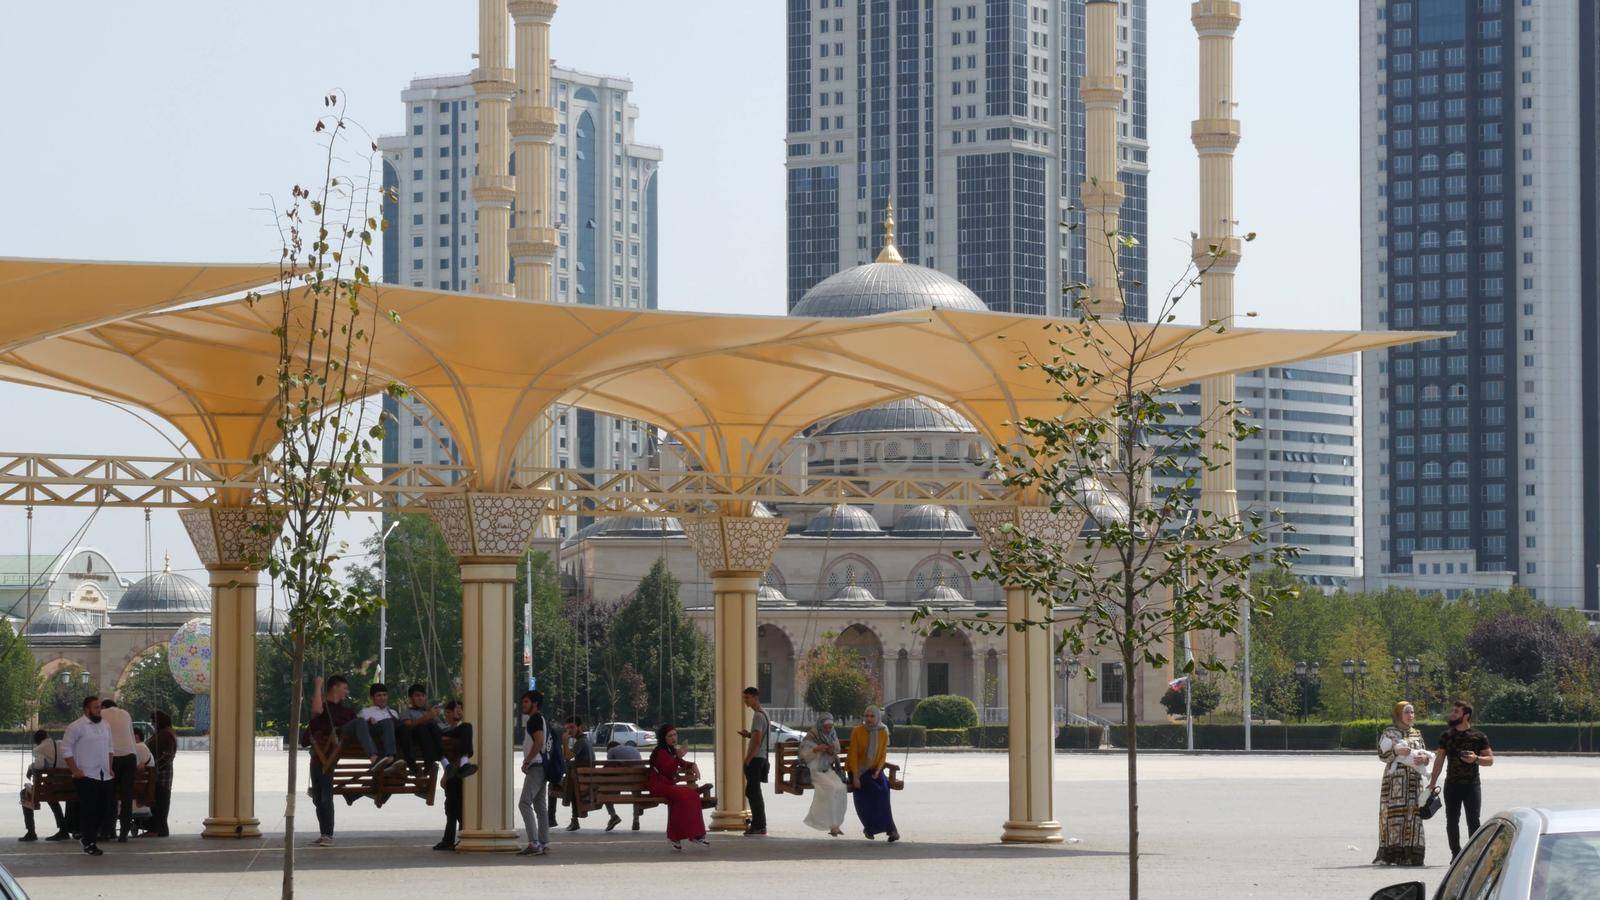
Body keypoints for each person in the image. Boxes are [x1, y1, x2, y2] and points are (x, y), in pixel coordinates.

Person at [1429, 700, 1495, 859]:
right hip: (1451, 785)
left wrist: (1476, 758)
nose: (1452, 714)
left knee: (1473, 821)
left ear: (1466, 716)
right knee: (1452, 821)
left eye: (1456, 712)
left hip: (1472, 785)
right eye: (1452, 711)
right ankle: (1456, 855)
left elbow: (1490, 760)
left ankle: (1474, 855)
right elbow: (1439, 760)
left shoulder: (1479, 736)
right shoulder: (1446, 736)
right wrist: (1432, 782)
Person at [1374, 700, 1429, 866]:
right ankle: (1392, 853)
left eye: (1412, 712)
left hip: (1414, 781)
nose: (1410, 716)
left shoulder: (1417, 733)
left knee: (1414, 816)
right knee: (1393, 815)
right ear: (1399, 714)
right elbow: (1381, 754)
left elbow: (1426, 753)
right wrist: (1395, 751)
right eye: (1407, 712)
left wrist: (1424, 759)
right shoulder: (1389, 733)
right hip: (1395, 782)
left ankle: (1412, 855)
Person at [306, 675, 357, 846]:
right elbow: (316, 711)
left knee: (325, 796)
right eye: (344, 688)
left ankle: (328, 834)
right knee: (319, 797)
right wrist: (318, 686)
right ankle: (324, 833)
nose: (346, 692)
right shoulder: (325, 710)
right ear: (335, 688)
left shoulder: (347, 712)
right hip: (319, 758)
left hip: (328, 757)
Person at [62, 695, 112, 856]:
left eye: (100, 707)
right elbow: (66, 749)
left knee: (107, 809)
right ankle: (89, 842)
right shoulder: (76, 727)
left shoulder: (105, 725)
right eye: (96, 707)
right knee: (89, 810)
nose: (99, 710)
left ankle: (88, 836)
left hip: (104, 774)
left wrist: (110, 766)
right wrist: (75, 770)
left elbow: (110, 747)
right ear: (87, 709)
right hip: (85, 775)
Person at [646, 724, 709, 851]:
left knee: (692, 795)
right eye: (670, 735)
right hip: (659, 785)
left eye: (675, 734)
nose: (673, 738)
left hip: (668, 785)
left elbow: (682, 764)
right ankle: (686, 835)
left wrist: (692, 765)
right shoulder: (661, 751)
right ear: (664, 738)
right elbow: (668, 770)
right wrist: (678, 757)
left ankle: (692, 834)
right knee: (687, 795)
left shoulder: (671, 751)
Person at [848, 705, 899, 842]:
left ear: (877, 717)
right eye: (866, 716)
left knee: (884, 790)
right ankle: (869, 828)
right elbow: (852, 754)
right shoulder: (857, 731)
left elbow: (882, 754)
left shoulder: (883, 732)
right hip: (857, 770)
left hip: (875, 770)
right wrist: (855, 776)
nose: (869, 719)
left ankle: (892, 830)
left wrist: (878, 771)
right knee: (871, 791)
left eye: (872, 716)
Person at [433, 699, 478, 851]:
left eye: (460, 709)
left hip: (456, 772)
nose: (459, 712)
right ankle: (452, 838)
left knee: (454, 807)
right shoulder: (444, 728)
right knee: (452, 806)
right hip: (453, 771)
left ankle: (455, 837)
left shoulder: (463, 729)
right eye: (456, 710)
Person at [800, 714, 847, 836]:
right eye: (826, 727)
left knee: (841, 787)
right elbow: (803, 755)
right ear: (821, 726)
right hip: (815, 769)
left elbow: (836, 750)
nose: (828, 729)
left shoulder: (832, 734)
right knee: (830, 788)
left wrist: (831, 750)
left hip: (827, 769)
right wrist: (816, 749)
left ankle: (835, 824)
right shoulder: (812, 735)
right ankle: (829, 824)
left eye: (830, 727)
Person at [20, 729, 69, 843]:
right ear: (47, 736)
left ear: (37, 741)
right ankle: (64, 830)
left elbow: (39, 766)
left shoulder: (39, 749)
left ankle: (31, 832)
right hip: (69, 786)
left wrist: (30, 768)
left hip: (54, 787)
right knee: (52, 798)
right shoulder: (62, 744)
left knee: (24, 793)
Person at [516, 690, 549, 857]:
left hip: (536, 766)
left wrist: (527, 761)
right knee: (540, 806)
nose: (523, 705)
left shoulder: (534, 720)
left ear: (535, 704)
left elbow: (539, 742)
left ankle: (534, 843)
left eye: (526, 702)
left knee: (524, 803)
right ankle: (543, 842)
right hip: (542, 766)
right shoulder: (541, 719)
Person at [99, 699, 137, 842]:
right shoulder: (126, 714)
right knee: (126, 797)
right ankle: (124, 833)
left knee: (110, 795)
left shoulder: (101, 714)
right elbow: (132, 736)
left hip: (112, 757)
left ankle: (108, 831)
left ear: (103, 707)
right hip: (130, 756)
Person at [351, 683, 404, 775]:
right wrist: (369, 722)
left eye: (384, 695)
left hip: (393, 742)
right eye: (378, 695)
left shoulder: (393, 712)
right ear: (372, 697)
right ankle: (390, 756)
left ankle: (387, 762)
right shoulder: (365, 712)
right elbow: (360, 728)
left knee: (393, 724)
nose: (382, 698)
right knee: (387, 722)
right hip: (375, 738)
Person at [737, 686, 768, 836]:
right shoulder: (764, 714)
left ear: (755, 698)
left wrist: (747, 759)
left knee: (753, 793)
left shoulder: (757, 716)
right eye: (744, 698)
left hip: (756, 759)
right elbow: (758, 737)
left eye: (747, 698)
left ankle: (759, 825)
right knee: (753, 792)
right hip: (761, 758)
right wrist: (749, 734)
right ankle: (759, 824)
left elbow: (757, 742)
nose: (745, 701)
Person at [397, 683, 446, 774]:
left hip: (436, 738)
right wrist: (426, 718)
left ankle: (461, 761)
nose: (420, 698)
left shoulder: (428, 712)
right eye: (417, 695)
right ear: (411, 698)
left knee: (466, 727)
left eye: (423, 696)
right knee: (423, 727)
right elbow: (408, 726)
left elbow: (441, 727)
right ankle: (431, 763)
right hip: (419, 739)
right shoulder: (406, 712)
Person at [144, 712, 176, 838]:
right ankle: (159, 829)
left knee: (160, 802)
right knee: (159, 802)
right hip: (160, 774)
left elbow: (167, 756)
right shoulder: (163, 734)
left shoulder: (166, 735)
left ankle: (159, 830)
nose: (152, 724)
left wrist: (153, 768)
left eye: (153, 721)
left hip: (161, 776)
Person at [603, 740, 644, 833]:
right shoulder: (633, 749)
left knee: (604, 790)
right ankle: (636, 819)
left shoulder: (611, 750)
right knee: (636, 793)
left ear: (609, 748)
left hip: (623, 781)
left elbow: (606, 769)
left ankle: (613, 816)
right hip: (640, 781)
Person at [562, 718, 594, 831]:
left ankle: (551, 818)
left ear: (579, 727)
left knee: (554, 784)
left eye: (572, 727)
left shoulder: (581, 742)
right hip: (583, 777)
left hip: (582, 780)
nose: (569, 731)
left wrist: (565, 742)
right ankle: (573, 819)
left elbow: (567, 757)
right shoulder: (584, 741)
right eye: (567, 728)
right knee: (570, 783)